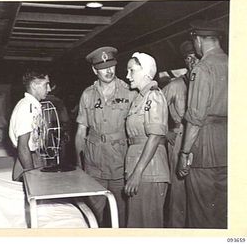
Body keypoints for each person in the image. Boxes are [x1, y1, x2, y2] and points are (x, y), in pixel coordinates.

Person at [75, 46, 135, 227]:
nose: (109, 71)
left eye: (112, 66)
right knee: (93, 215)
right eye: (103, 68)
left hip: (120, 163)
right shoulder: (87, 95)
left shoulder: (130, 91)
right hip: (94, 164)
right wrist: (79, 165)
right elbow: (80, 132)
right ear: (94, 70)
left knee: (122, 214)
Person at [178, 20, 228, 228]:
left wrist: (184, 153)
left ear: (197, 40)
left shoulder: (202, 68)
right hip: (230, 145)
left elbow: (196, 117)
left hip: (204, 148)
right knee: (224, 212)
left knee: (201, 214)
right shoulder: (234, 63)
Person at [124, 52, 169, 228]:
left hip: (149, 171)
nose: (127, 76)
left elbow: (155, 136)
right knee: (136, 225)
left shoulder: (154, 96)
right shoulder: (140, 98)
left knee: (148, 226)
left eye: (131, 70)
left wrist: (137, 173)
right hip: (140, 167)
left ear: (146, 72)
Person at [163, 40, 199, 228]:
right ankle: (176, 230)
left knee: (198, 189)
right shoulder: (176, 84)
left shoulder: (205, 82)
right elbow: (155, 107)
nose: (192, 62)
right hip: (179, 139)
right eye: (188, 59)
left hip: (201, 139)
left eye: (195, 58)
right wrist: (165, 132)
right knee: (178, 190)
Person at [9, 70, 51, 181]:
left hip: (35, 155)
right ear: (34, 85)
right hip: (27, 159)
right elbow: (23, 147)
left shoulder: (34, 106)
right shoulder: (26, 108)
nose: (49, 89)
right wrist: (32, 176)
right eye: (46, 84)